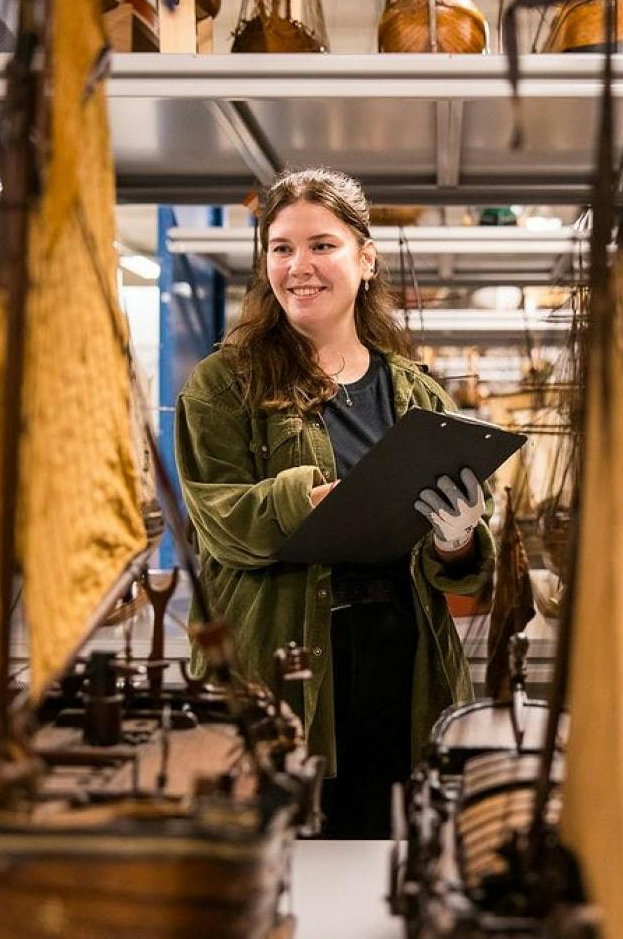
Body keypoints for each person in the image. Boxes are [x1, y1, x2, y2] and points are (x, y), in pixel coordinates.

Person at [174, 168, 495, 838]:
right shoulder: (222, 385)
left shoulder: (417, 394)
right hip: (278, 667)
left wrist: (457, 539)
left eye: (322, 245)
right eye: (281, 248)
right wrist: (310, 498)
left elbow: (457, 568)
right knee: (276, 851)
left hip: (402, 666)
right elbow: (219, 520)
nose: (299, 267)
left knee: (387, 849)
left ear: (365, 258)